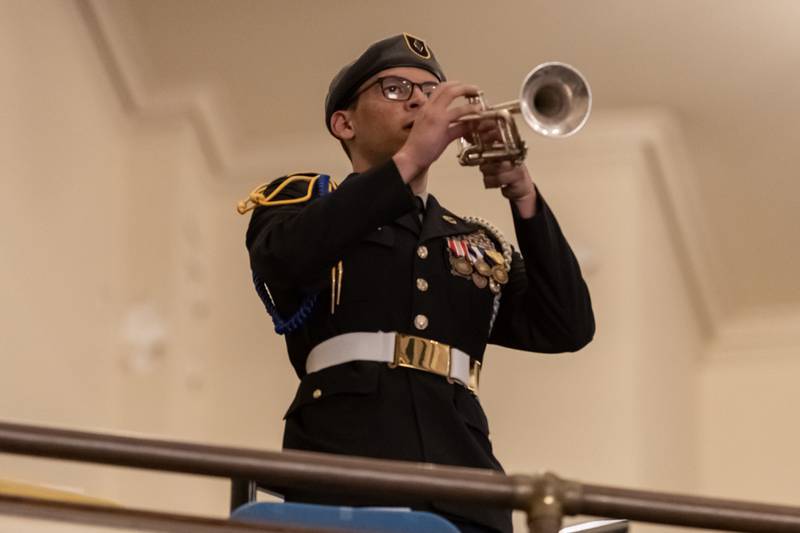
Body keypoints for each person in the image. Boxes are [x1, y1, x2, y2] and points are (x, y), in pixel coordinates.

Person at [240, 33, 595, 533]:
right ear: (344, 123)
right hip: (345, 473)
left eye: (431, 92)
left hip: (466, 485)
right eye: (394, 88)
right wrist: (409, 160)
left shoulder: (475, 242)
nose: (418, 101)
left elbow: (567, 325)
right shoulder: (302, 202)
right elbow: (284, 261)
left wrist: (523, 193)